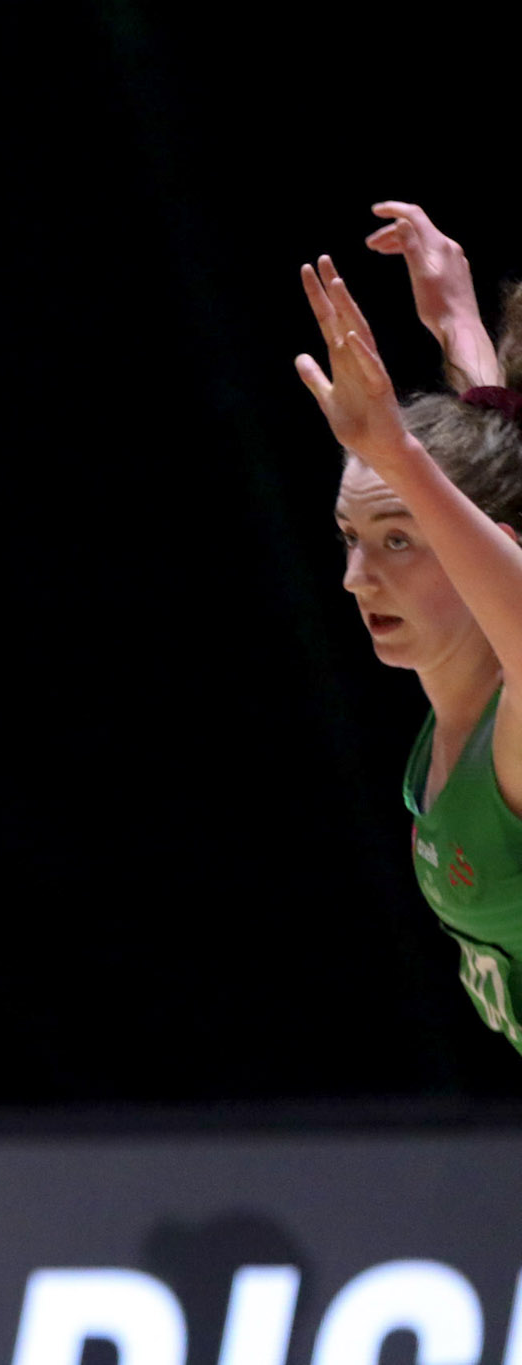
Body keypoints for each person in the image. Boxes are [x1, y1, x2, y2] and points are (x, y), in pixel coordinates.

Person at [300, 204, 522, 1054]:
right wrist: (459, 327)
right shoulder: (452, 720)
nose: (360, 578)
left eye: (399, 541)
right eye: (354, 539)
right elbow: (499, 471)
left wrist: (399, 454)